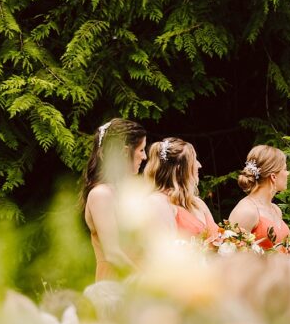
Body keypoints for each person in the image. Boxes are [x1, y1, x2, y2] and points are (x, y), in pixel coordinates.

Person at [82, 118, 148, 281]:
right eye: (141, 150)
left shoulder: (127, 192)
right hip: (117, 281)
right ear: (125, 151)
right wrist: (146, 282)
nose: (145, 156)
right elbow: (112, 253)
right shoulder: (101, 194)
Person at [144, 137, 219, 240]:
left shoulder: (198, 203)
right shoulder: (156, 203)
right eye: (194, 160)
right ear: (179, 170)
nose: (199, 165)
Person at [228, 145, 290, 249]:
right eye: (285, 169)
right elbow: (233, 257)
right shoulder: (246, 211)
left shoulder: (276, 210)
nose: (288, 173)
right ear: (273, 177)